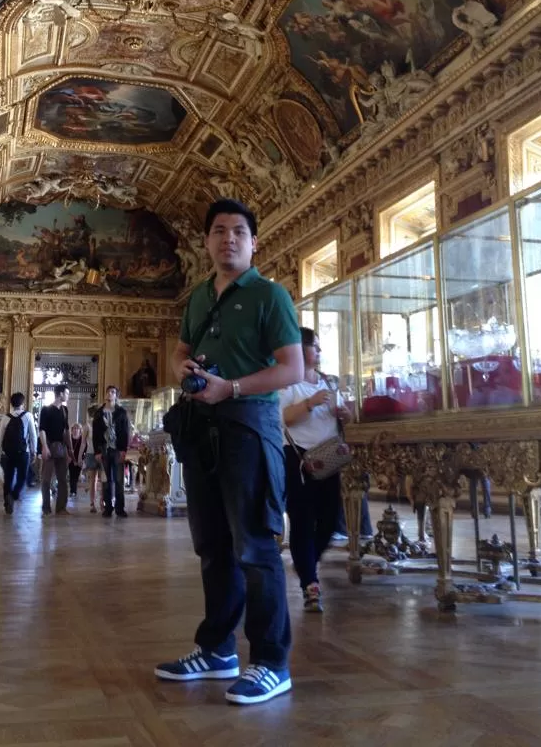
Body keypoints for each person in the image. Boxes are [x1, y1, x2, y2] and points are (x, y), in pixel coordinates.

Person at [154, 198, 303, 706]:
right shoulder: (199, 296)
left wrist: (231, 388)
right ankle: (217, 648)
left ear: (253, 241)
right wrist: (182, 369)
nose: (228, 239)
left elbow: (293, 369)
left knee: (256, 547)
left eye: (238, 231)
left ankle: (270, 661)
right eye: (218, 231)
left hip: (248, 426)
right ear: (207, 241)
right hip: (202, 428)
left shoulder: (270, 295)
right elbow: (179, 349)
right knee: (213, 546)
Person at [280, 327, 349, 612]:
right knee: (303, 521)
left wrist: (344, 413)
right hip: (299, 460)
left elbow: (343, 414)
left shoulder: (329, 383)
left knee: (331, 521)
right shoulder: (288, 383)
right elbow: (284, 419)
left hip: (329, 457)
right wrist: (309, 403)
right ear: (300, 348)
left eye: (320, 348)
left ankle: (305, 561)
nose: (319, 352)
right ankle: (310, 583)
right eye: (315, 347)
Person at [0, 392, 37, 515]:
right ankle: (13, 496)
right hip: (22, 453)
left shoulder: (5, 417)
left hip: (7, 454)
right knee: (22, 478)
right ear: (23, 403)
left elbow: (0, 437)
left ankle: (6, 503)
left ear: (11, 404)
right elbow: (33, 436)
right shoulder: (28, 416)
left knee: (8, 479)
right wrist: (34, 450)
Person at [92, 386, 129, 518]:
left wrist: (124, 450)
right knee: (106, 480)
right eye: (107, 392)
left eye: (112, 392)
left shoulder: (121, 412)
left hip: (117, 450)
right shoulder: (99, 413)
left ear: (116, 396)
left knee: (119, 480)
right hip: (104, 449)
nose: (109, 394)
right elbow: (95, 434)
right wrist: (97, 451)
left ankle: (120, 508)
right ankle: (108, 508)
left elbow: (125, 432)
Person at [38, 384, 70, 515]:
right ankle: (46, 507)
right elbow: (42, 430)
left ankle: (61, 507)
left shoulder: (65, 410)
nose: (68, 396)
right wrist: (44, 447)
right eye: (67, 393)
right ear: (61, 394)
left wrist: (70, 449)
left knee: (63, 478)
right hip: (50, 445)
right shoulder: (46, 410)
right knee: (46, 479)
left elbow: (66, 431)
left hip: (61, 447)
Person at [80, 404, 100, 512]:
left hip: (102, 454)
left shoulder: (102, 424)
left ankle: (102, 501)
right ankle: (93, 503)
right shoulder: (87, 426)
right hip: (91, 454)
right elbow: (83, 443)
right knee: (94, 480)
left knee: (103, 479)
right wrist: (80, 457)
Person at [68, 422, 84, 497]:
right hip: (71, 459)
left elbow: (85, 450)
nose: (75, 430)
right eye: (74, 428)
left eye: (77, 428)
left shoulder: (82, 439)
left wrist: (82, 460)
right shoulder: (69, 438)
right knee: (72, 475)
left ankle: (74, 490)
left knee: (76, 476)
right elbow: (67, 448)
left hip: (79, 460)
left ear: (80, 430)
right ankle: (72, 491)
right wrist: (69, 457)